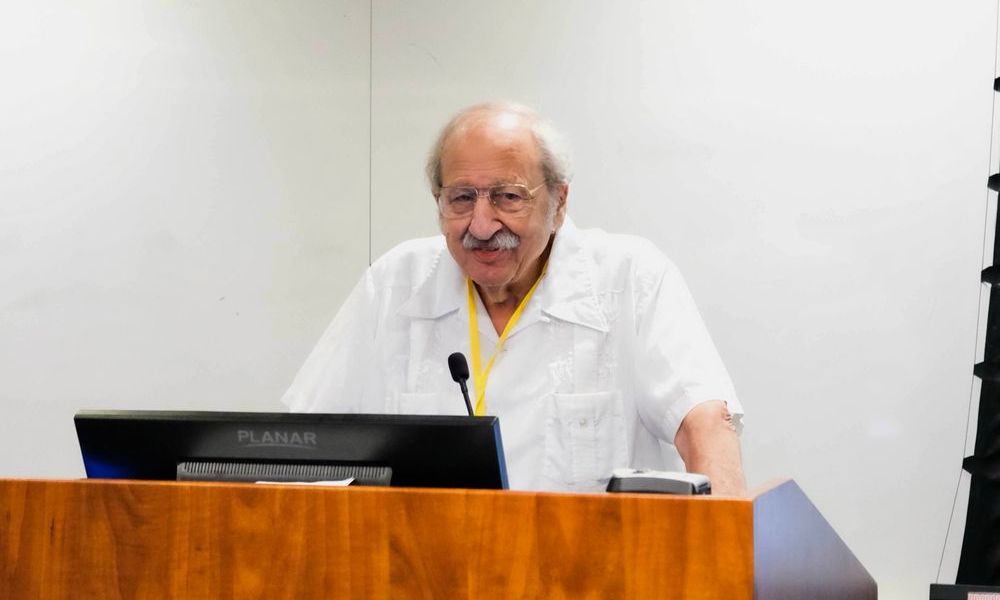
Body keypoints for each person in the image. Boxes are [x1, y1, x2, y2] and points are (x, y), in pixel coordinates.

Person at [283, 102, 746, 494]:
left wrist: (721, 553)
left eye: (507, 196)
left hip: (589, 588)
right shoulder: (394, 286)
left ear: (559, 202)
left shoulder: (630, 280)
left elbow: (703, 424)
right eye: (461, 198)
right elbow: (300, 448)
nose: (481, 227)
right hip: (423, 585)